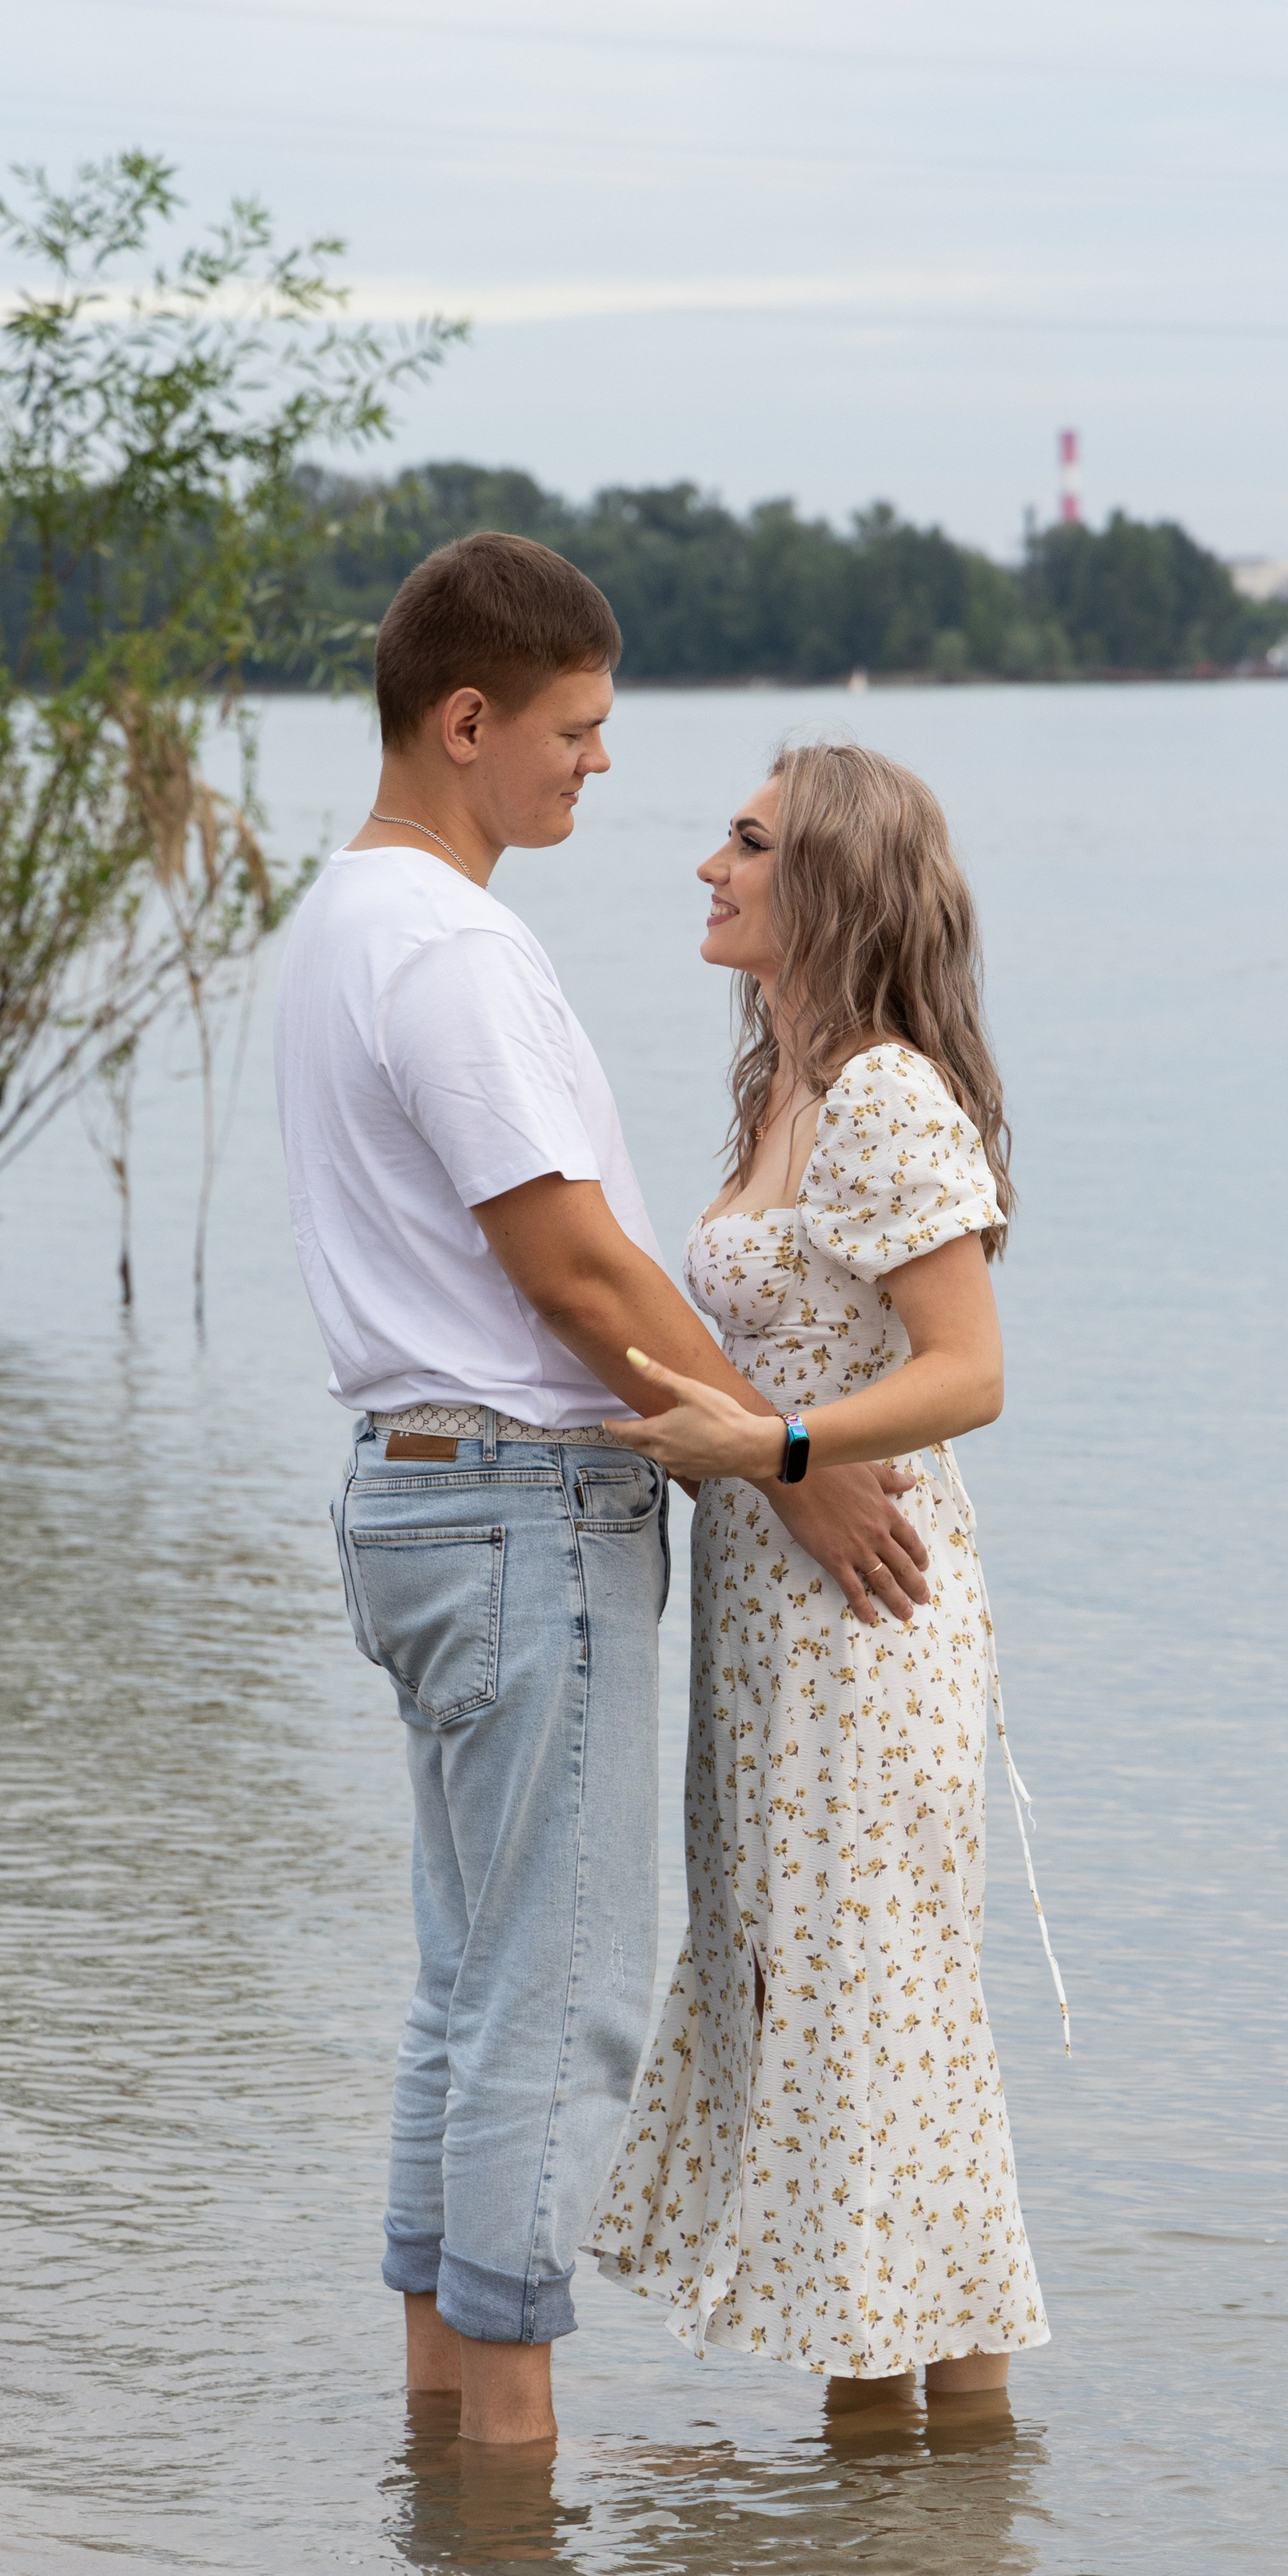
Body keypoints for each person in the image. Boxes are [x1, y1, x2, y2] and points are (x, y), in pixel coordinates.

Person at [271, 540, 935, 2447]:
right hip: (511, 1508)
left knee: (465, 1989)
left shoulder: (344, 923)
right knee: (553, 2012)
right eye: (575, 731)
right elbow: (573, 1273)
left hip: (413, 1498)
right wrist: (783, 1470)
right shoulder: (456, 949)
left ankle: (440, 2437)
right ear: (465, 723)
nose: (601, 768)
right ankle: (505, 2482)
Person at [592, 740, 1062, 2416]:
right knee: (843, 2045)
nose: (707, 866)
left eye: (745, 842)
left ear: (831, 883)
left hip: (866, 1623)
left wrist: (778, 1451)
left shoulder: (877, 1088)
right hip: (766, 1624)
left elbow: (969, 1371)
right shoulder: (777, 1083)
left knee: (873, 2049)